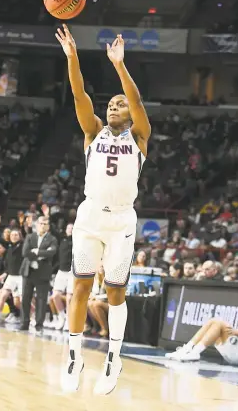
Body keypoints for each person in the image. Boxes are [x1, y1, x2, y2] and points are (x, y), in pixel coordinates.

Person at [55, 24, 151, 395]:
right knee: (80, 286)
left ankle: (114, 357)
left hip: (122, 220)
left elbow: (138, 103)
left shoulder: (139, 136)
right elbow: (79, 93)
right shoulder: (93, 132)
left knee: (114, 294)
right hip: (91, 215)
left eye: (119, 103)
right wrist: (73, 56)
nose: (114, 105)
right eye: (110, 103)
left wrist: (119, 65)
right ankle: (74, 354)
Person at [165, 291, 238, 366]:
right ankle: (187, 349)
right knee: (213, 321)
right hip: (237, 352)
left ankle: (195, 352)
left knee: (219, 323)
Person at [20, 216, 58, 333]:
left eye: (45, 224)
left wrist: (36, 251)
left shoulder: (52, 239)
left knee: (41, 299)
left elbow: (51, 253)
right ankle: (24, 324)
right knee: (25, 298)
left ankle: (39, 325)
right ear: (37, 225)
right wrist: (41, 255)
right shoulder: (30, 237)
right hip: (28, 271)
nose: (43, 225)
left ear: (48, 226)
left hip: (43, 273)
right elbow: (25, 252)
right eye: (41, 223)